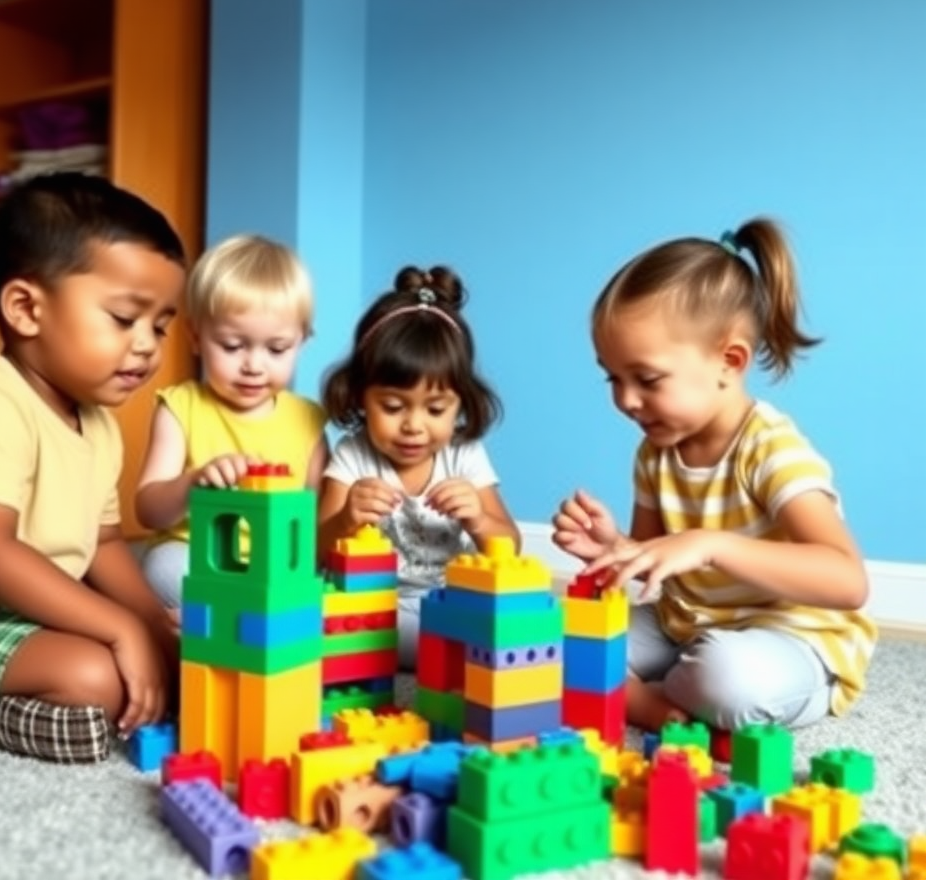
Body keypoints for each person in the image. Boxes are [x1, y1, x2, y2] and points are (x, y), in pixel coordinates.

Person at [0, 172, 186, 763]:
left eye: (159, 326)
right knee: (96, 675)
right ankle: (1, 707)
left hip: (6, 610)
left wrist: (150, 624)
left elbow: (104, 543)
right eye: (123, 318)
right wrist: (119, 628)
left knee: (173, 649)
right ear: (27, 309)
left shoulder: (98, 423)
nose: (148, 345)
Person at [552, 218, 877, 733]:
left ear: (729, 361)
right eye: (613, 377)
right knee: (557, 639)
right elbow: (656, 557)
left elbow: (847, 580)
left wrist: (711, 544)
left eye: (648, 379)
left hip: (791, 635)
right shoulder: (655, 451)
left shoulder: (771, 449)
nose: (626, 400)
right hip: (687, 625)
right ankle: (652, 706)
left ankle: (653, 691)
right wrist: (617, 545)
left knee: (724, 680)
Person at [319, 265, 519, 667]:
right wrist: (345, 519)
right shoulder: (353, 455)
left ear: (461, 402)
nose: (413, 426)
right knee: (314, 622)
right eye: (392, 407)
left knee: (518, 615)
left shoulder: (464, 455)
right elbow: (317, 551)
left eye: (436, 408)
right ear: (360, 396)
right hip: (374, 600)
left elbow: (509, 545)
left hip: (452, 598)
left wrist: (479, 519)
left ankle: (432, 647)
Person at [135, 235, 328, 607]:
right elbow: (148, 511)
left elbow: (314, 521)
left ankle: (252, 616)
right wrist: (193, 482)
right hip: (194, 552)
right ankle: (247, 616)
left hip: (274, 563)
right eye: (232, 346)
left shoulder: (308, 419)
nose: (253, 366)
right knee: (162, 569)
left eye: (276, 349)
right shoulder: (180, 407)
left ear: (301, 341)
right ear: (195, 337)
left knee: (324, 582)